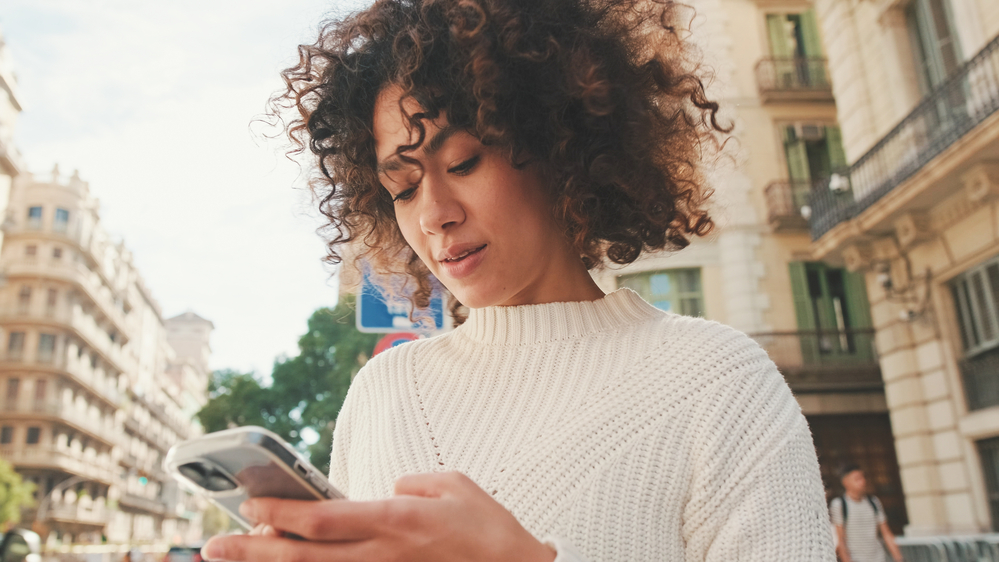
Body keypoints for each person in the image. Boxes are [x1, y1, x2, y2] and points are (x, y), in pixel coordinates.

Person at [202, 0, 835, 560]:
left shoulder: (720, 382)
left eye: (464, 161)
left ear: (561, 147)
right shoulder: (382, 394)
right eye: (402, 186)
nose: (433, 215)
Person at [829, 464, 903, 562]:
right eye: (857, 479)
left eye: (863, 477)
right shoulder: (839, 505)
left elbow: (887, 533)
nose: (862, 481)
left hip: (879, 558)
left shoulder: (874, 502)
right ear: (846, 482)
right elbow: (841, 540)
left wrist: (899, 558)